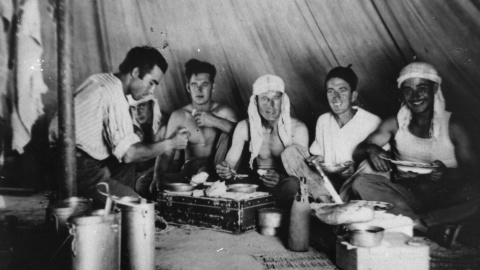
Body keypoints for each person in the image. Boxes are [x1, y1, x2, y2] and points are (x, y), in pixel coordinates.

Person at [49, 46, 189, 208]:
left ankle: (110, 202)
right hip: (77, 170)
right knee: (139, 209)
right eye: (151, 83)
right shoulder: (113, 94)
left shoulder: (101, 80)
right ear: (136, 73)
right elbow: (130, 154)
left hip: (64, 159)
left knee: (126, 164)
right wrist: (171, 143)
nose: (151, 91)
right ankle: (108, 206)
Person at [345, 62, 479, 231]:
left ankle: (415, 222)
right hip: (409, 197)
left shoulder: (453, 126)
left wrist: (446, 174)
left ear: (435, 88)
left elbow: (473, 171)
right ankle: (425, 225)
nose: (415, 96)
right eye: (407, 90)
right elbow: (357, 152)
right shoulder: (394, 123)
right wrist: (372, 149)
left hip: (445, 197)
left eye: (421, 88)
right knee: (361, 183)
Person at [215, 74, 309, 209]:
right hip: (256, 184)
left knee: (293, 185)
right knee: (224, 185)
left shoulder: (298, 129)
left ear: (283, 100)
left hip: (285, 185)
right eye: (265, 98)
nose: (271, 105)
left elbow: (303, 174)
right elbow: (230, 163)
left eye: (275, 98)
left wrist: (280, 178)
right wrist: (225, 168)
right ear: (255, 102)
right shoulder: (244, 127)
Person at [147, 59, 237, 195]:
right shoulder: (179, 115)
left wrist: (215, 121)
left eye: (204, 84)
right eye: (194, 85)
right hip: (190, 173)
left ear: (213, 87)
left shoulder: (224, 112)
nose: (199, 90)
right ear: (188, 87)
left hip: (219, 173)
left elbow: (245, 137)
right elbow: (166, 153)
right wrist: (157, 178)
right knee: (144, 183)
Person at [306, 66, 381, 191]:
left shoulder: (372, 121)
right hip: (331, 181)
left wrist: (356, 168)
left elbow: (381, 161)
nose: (336, 97)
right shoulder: (323, 120)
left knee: (364, 174)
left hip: (361, 184)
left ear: (353, 96)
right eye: (330, 91)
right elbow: (321, 155)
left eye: (342, 90)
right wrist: (317, 159)